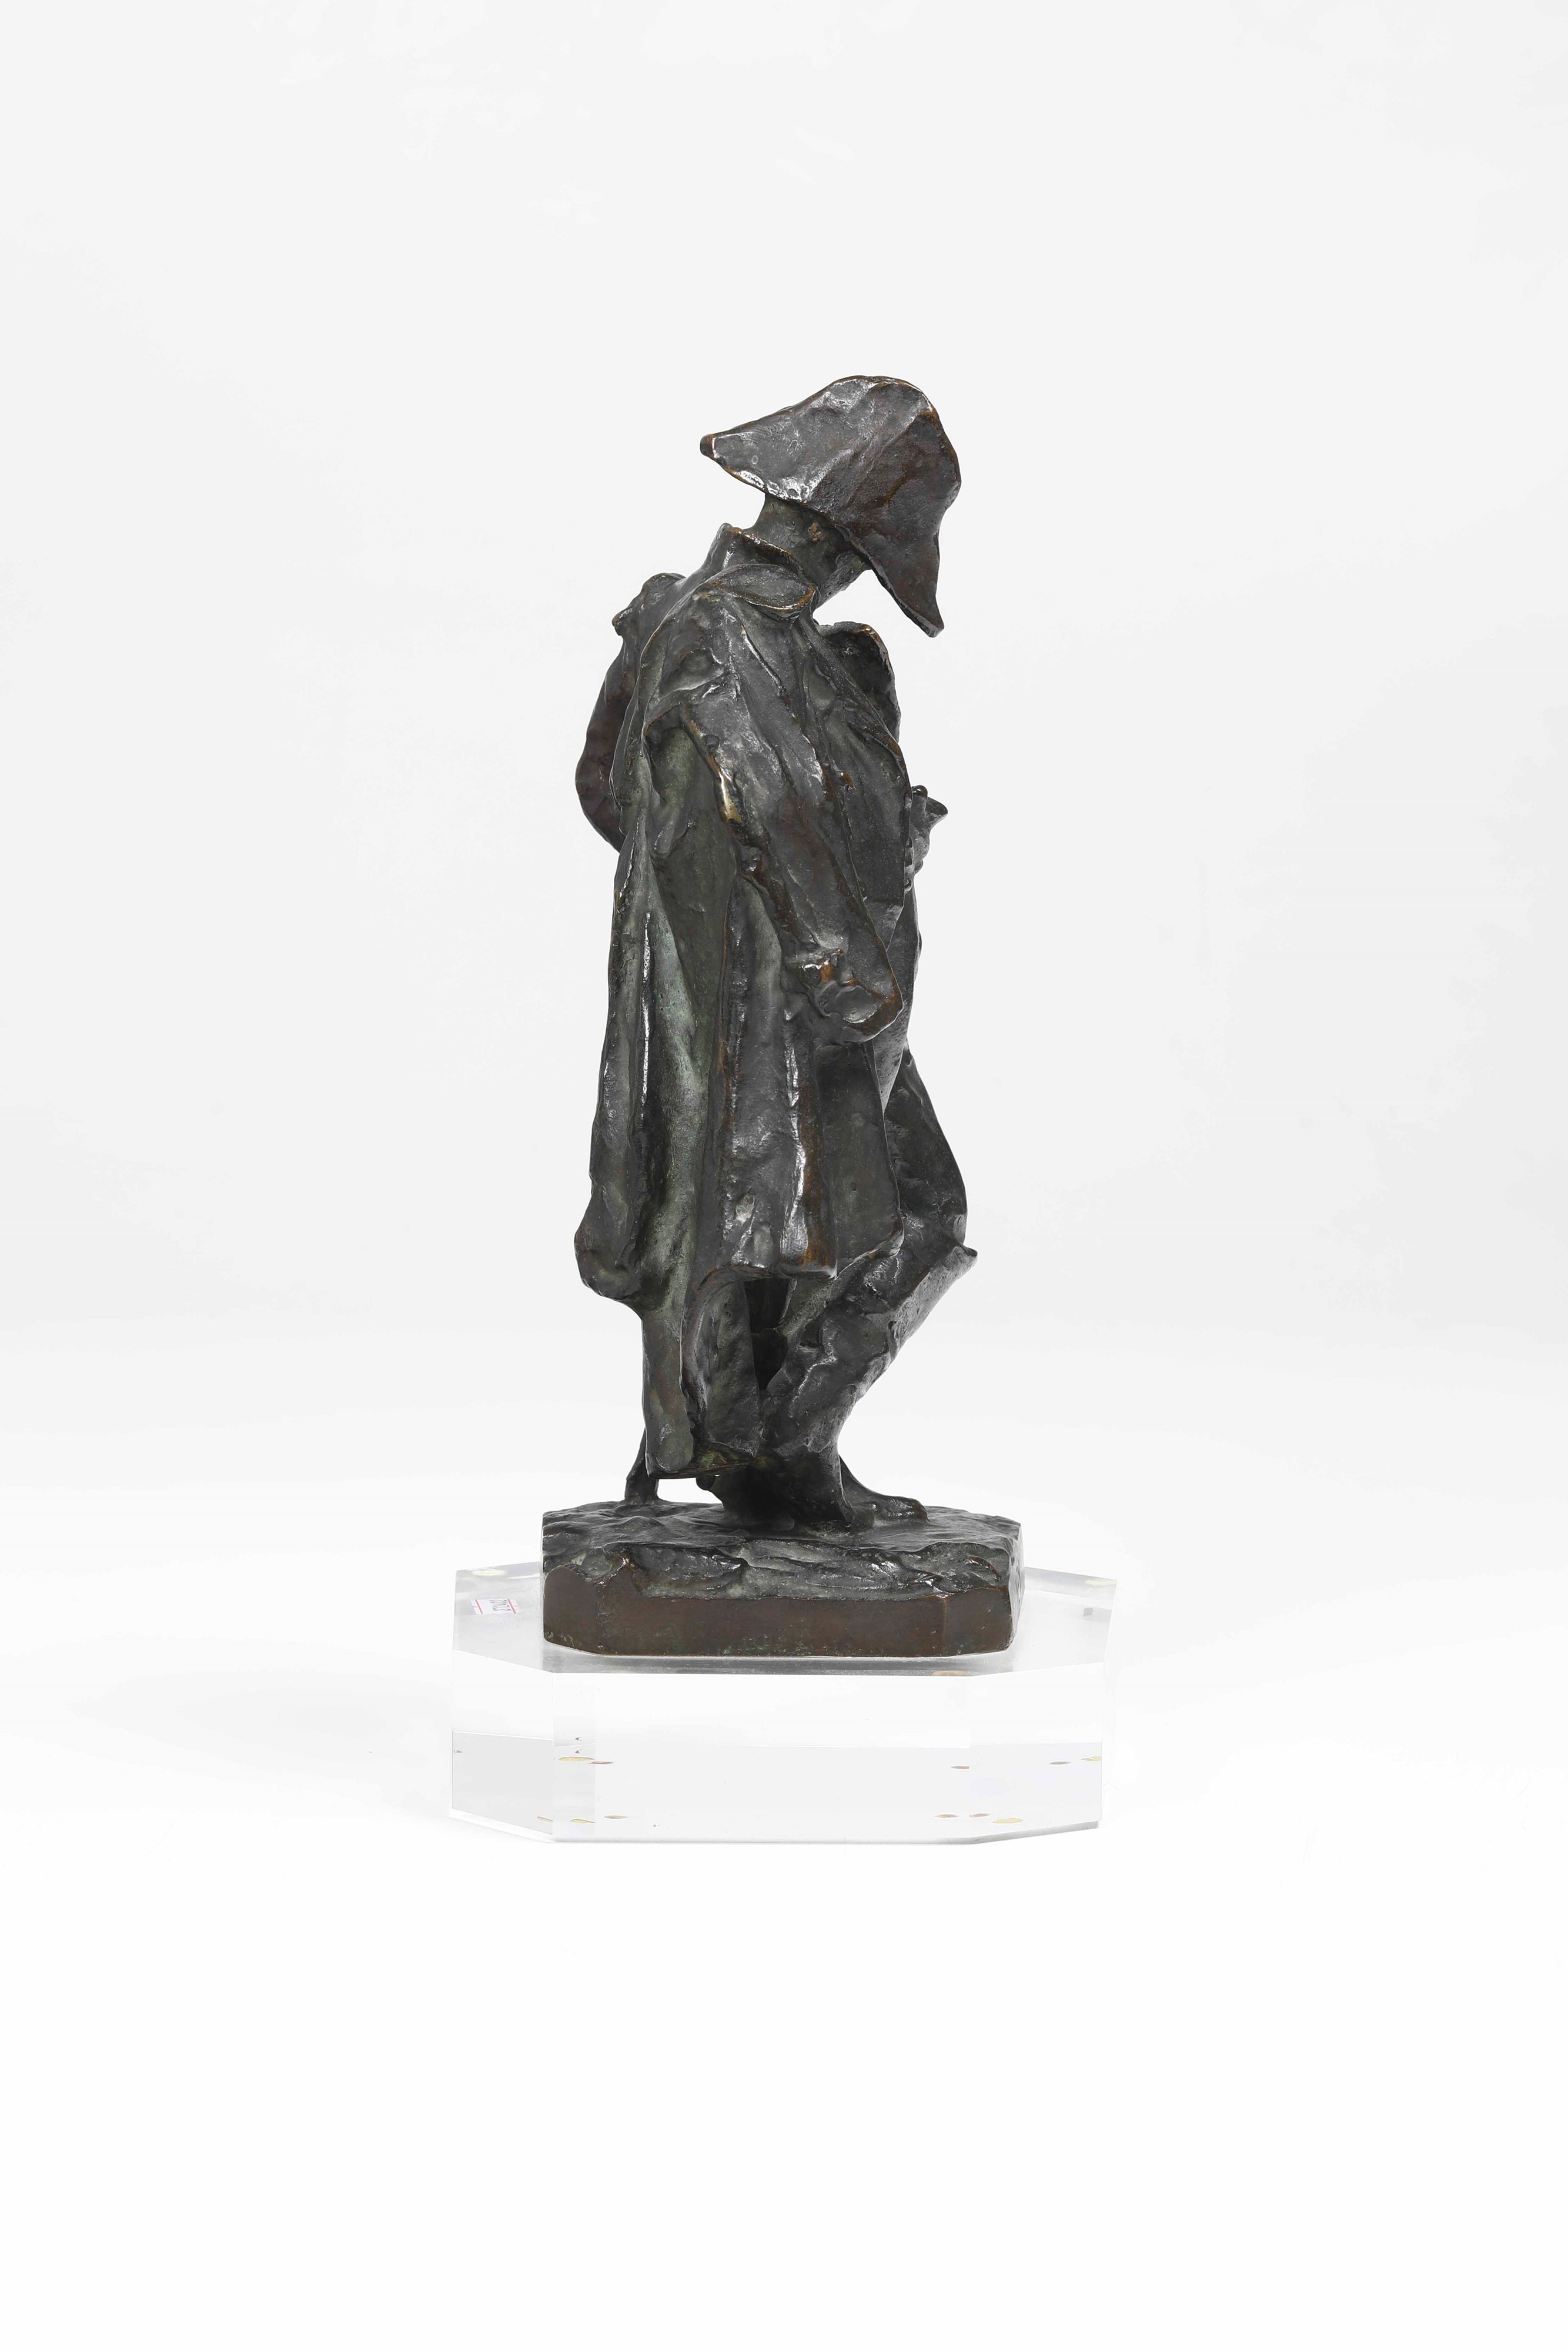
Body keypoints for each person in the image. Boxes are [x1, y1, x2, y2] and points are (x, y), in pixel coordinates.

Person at [573, 376, 974, 1529]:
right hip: (790, 1010)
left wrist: (878, 840)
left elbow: (613, 792)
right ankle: (774, 1457)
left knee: (811, 1241)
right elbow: (761, 805)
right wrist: (827, 955)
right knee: (897, 1224)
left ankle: (775, 1456)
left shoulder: (732, 630)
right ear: (847, 539)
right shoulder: (724, 635)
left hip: (789, 1004)